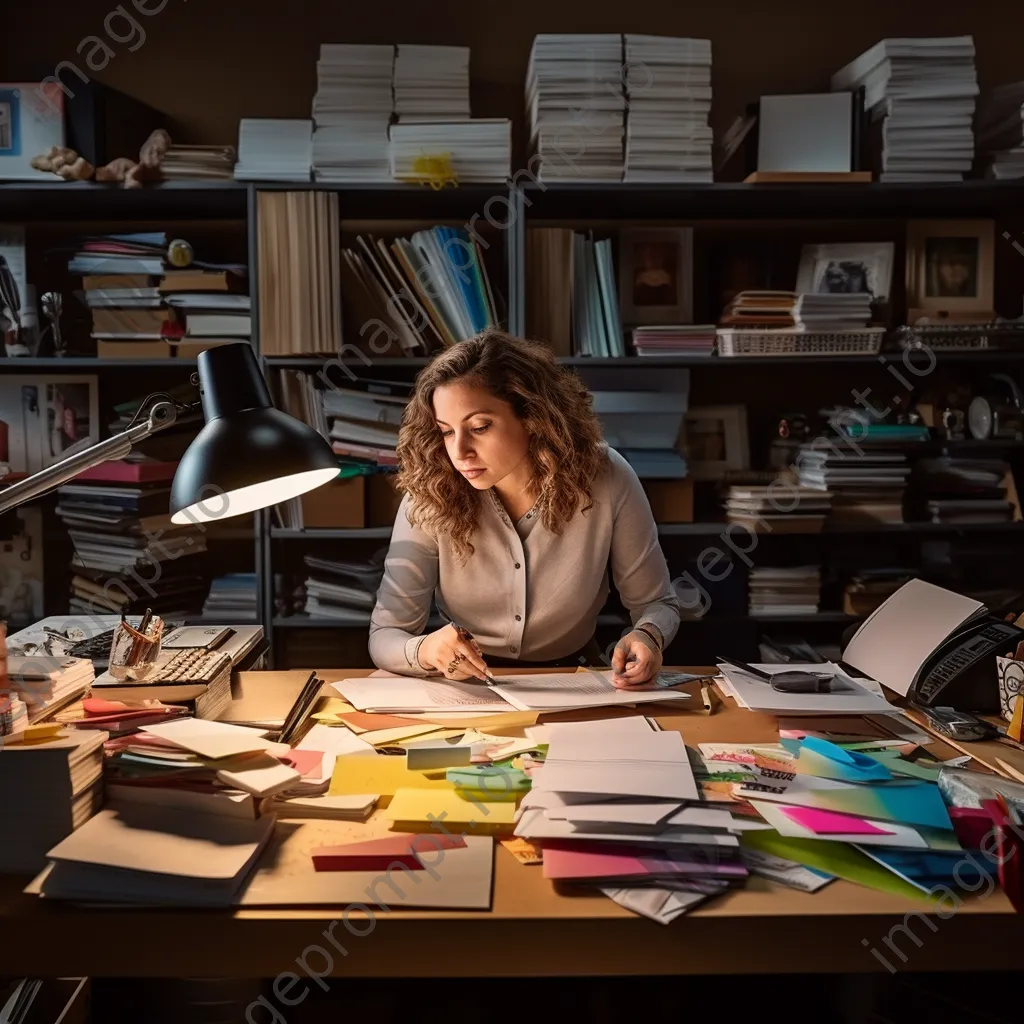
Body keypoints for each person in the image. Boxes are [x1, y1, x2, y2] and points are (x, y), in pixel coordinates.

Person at [368, 330, 682, 689]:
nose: (460, 452)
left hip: (574, 678)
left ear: (533, 417)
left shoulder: (606, 476)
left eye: (480, 427)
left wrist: (648, 637)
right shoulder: (430, 491)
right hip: (463, 687)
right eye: (446, 432)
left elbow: (657, 602)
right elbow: (385, 635)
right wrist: (425, 650)